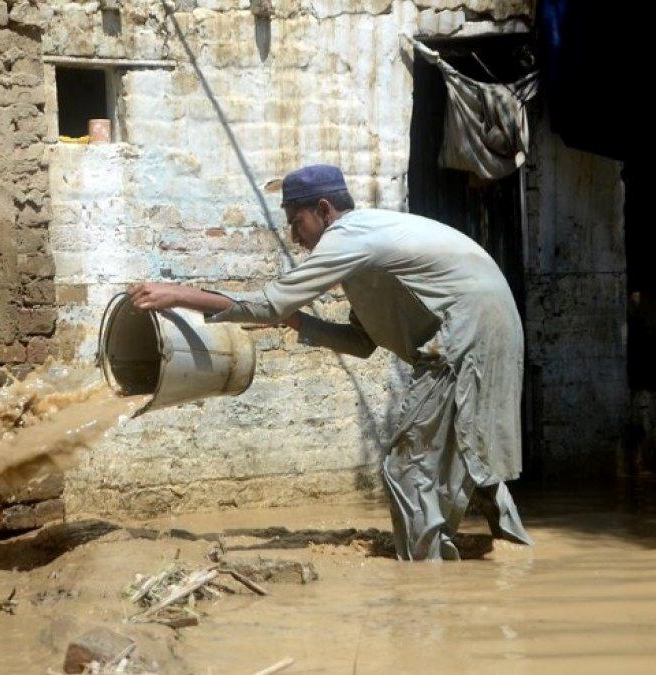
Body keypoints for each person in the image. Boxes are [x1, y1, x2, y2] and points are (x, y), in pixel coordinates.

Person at [129, 164, 532, 560]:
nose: (294, 237)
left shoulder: (348, 236)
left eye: (296, 222)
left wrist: (180, 295)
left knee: (408, 468)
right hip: (491, 325)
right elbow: (363, 342)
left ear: (324, 210)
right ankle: (515, 556)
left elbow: (268, 305)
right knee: (470, 451)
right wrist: (301, 322)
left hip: (462, 335)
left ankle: (425, 581)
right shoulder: (370, 243)